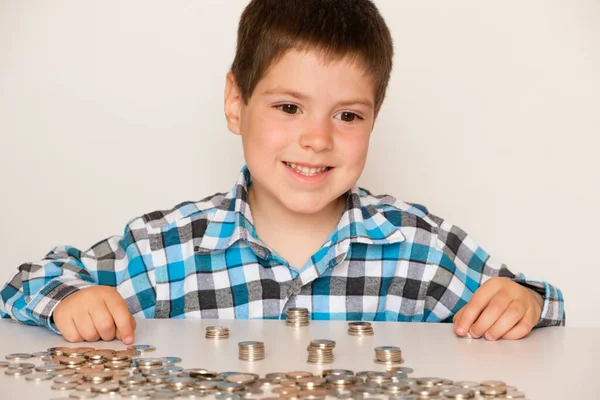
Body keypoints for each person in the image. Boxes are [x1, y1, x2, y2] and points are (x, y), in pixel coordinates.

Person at [0, 0, 564, 345]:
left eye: (347, 115)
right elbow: (23, 284)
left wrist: (525, 302)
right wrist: (71, 301)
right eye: (288, 107)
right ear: (235, 102)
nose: (317, 138)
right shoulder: (168, 250)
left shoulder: (418, 246)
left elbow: (536, 303)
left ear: (374, 120)